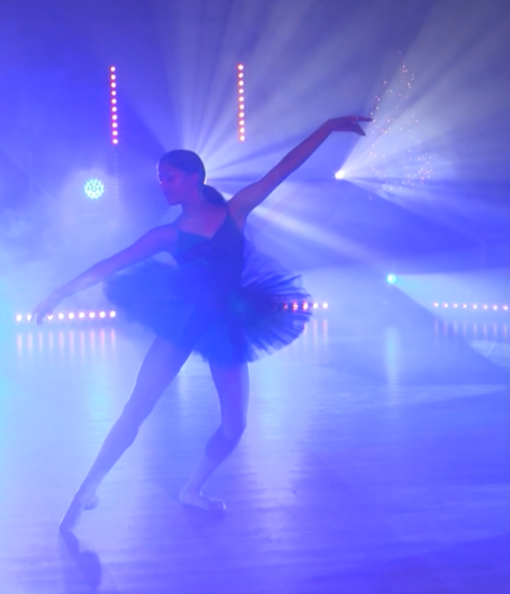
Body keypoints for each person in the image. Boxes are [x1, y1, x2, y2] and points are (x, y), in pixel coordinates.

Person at [33, 116, 370, 532]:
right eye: (160, 179)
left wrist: (327, 128)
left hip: (227, 323)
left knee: (235, 426)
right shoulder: (167, 234)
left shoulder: (236, 210)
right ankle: (90, 486)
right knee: (135, 411)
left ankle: (191, 489)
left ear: (195, 178)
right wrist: (59, 293)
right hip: (185, 321)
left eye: (169, 177)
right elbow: (111, 264)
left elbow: (284, 169)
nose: (163, 185)